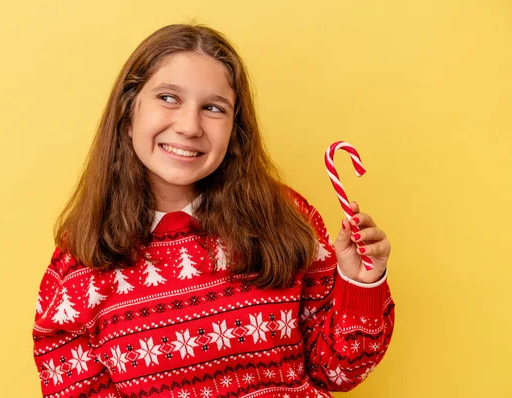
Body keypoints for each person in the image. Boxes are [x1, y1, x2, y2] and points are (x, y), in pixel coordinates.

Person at [32, 23, 395, 398]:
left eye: (213, 108)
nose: (190, 126)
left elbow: (337, 372)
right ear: (127, 116)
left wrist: (361, 283)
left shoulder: (286, 218)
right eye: (169, 98)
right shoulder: (78, 267)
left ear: (235, 131)